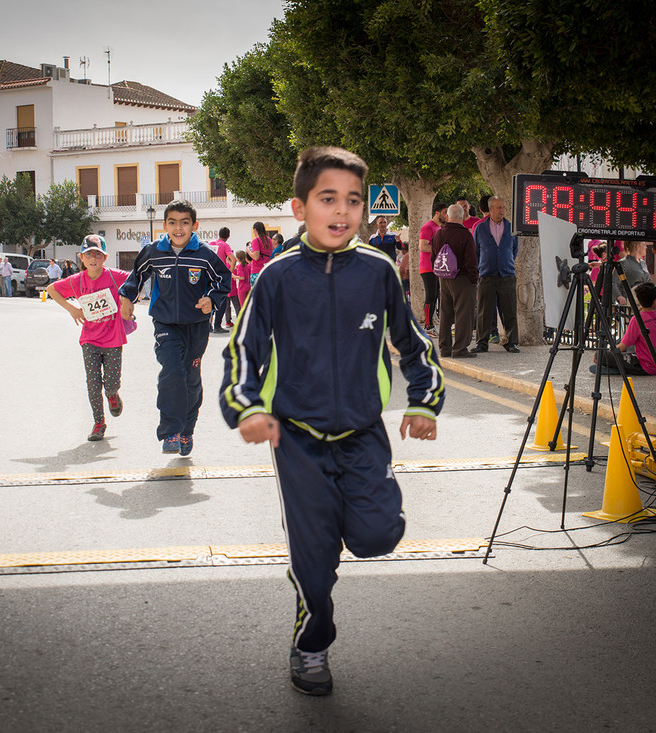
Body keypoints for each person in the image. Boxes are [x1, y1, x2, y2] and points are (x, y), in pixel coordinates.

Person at [220, 146, 444, 697]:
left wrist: (422, 401)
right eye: (328, 199)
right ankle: (312, 644)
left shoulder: (378, 271)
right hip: (298, 441)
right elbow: (243, 350)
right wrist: (246, 407)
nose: (342, 211)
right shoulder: (275, 276)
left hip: (364, 435)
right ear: (300, 207)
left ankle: (341, 526)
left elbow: (413, 343)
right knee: (313, 563)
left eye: (353, 200)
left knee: (377, 537)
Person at [118, 199, 231, 456]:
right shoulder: (154, 251)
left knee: (191, 379)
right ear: (164, 225)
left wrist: (211, 299)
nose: (178, 228)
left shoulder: (205, 254)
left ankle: (187, 431)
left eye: (184, 222)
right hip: (165, 323)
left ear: (194, 225)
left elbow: (223, 280)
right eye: (172, 222)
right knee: (172, 370)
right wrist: (127, 297)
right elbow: (136, 275)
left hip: (197, 327)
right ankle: (170, 431)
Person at [47, 235, 130, 441]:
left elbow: (135, 280)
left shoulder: (114, 276)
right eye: (89, 254)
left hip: (113, 339)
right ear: (81, 258)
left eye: (98, 255)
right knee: (93, 384)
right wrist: (72, 309)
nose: (93, 258)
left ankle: (112, 395)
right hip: (89, 341)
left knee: (110, 383)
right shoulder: (77, 280)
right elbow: (51, 290)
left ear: (105, 258)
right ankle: (98, 423)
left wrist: (127, 300)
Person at [471, 196, 520, 353]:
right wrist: (482, 266)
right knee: (484, 310)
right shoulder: (480, 228)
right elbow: (476, 251)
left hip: (507, 274)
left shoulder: (511, 228)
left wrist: (506, 262)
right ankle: (482, 342)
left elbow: (514, 250)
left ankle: (511, 342)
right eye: (499, 208)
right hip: (487, 273)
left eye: (503, 208)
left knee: (509, 310)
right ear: (490, 209)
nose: (502, 211)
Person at [591, 282, 656, 376]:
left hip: (644, 366)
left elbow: (622, 347)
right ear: (655, 300)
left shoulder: (637, 319)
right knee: (626, 344)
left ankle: (615, 366)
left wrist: (607, 353)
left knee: (601, 354)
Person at [431, 204, 479, 358]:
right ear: (463, 216)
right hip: (462, 279)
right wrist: (474, 280)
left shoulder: (438, 234)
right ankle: (460, 349)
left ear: (447, 217)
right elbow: (471, 260)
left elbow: (434, 258)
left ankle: (445, 348)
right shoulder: (465, 235)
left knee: (445, 313)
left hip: (443, 279)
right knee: (463, 314)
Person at [418, 201, 447, 334]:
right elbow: (423, 246)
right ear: (437, 213)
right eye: (445, 213)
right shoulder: (428, 227)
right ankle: (428, 326)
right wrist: (440, 250)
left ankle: (432, 325)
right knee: (430, 296)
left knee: (436, 295)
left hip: (437, 267)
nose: (447, 216)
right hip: (427, 267)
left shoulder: (439, 228)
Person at [209, 227, 234, 333]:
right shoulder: (225, 245)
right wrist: (229, 272)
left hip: (209, 275)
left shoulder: (210, 243)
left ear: (218, 234)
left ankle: (208, 325)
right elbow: (233, 259)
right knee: (222, 301)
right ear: (228, 236)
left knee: (209, 299)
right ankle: (217, 325)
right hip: (220, 276)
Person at [613, 240, 652, 304]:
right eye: (644, 244)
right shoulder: (623, 263)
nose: (646, 247)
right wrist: (619, 296)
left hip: (645, 301)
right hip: (631, 302)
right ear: (637, 247)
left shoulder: (643, 263)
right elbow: (614, 282)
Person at [231, 250, 251, 314]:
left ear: (237, 258)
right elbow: (235, 268)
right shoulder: (246, 265)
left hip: (242, 287)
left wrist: (234, 276)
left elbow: (242, 277)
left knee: (242, 306)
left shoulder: (240, 266)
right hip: (248, 286)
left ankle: (243, 321)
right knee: (248, 305)